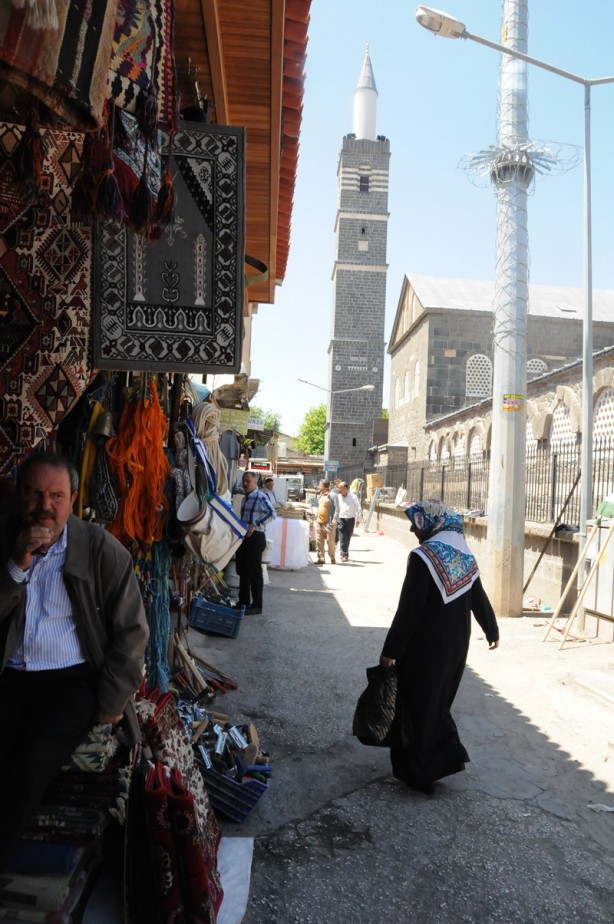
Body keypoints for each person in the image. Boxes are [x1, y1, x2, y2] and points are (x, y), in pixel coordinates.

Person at [0, 452, 149, 867]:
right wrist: (17, 565)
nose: (44, 506)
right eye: (34, 494)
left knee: (31, 764)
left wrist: (113, 700)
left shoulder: (100, 549)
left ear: (73, 498)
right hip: (9, 675)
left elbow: (132, 630)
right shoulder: (5, 537)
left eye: (56, 496)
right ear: (19, 494)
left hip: (70, 680)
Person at [379, 499, 499, 795]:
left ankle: (422, 772)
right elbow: (478, 596)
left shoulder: (423, 557)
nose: (413, 530)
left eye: (417, 523)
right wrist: (491, 629)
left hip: (424, 648)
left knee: (418, 706)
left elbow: (410, 610)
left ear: (433, 524)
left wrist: (391, 650)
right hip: (455, 646)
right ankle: (439, 762)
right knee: (436, 704)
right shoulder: (464, 555)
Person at [235, 471, 276, 615]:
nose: (245, 484)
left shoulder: (260, 496)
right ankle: (243, 602)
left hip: (256, 537)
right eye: (244, 481)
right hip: (244, 537)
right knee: (243, 571)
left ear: (255, 482)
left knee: (254, 572)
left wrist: (255, 524)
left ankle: (257, 605)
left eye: (248, 481)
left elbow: (272, 513)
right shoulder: (245, 498)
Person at [315, 480, 339, 565]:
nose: (318, 486)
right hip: (319, 522)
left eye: (320, 485)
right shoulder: (320, 495)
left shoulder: (332, 495)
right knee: (319, 541)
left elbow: (337, 508)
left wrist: (335, 519)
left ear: (324, 487)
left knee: (330, 541)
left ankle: (332, 557)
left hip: (329, 523)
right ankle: (321, 558)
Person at [336, 481, 362, 562]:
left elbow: (358, 508)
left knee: (347, 538)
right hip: (341, 519)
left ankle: (344, 553)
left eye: (341, 488)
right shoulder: (338, 497)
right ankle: (344, 555)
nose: (339, 489)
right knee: (342, 537)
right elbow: (335, 508)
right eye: (339, 488)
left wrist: (358, 519)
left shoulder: (353, 496)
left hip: (350, 519)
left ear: (345, 489)